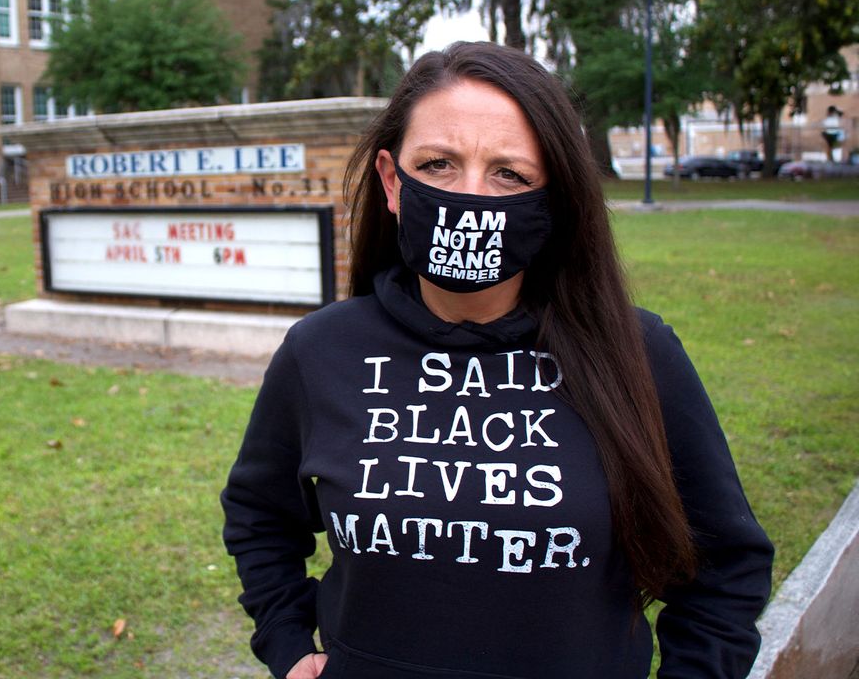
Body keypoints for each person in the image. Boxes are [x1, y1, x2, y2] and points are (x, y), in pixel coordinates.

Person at [221, 42, 773, 679]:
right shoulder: (321, 352)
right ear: (392, 181)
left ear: (553, 198)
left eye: (509, 174)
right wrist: (288, 643)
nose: (470, 197)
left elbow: (726, 566)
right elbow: (260, 513)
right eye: (438, 164)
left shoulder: (637, 355)